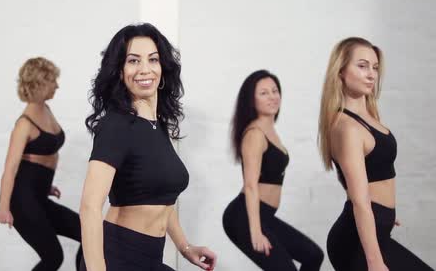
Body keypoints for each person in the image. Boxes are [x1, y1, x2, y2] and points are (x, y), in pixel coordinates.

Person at [78, 23, 217, 271]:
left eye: (153, 60)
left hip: (150, 257)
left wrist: (186, 248)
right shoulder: (116, 125)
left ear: (162, 68)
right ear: (119, 71)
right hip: (116, 256)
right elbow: (89, 207)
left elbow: (163, 198)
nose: (145, 69)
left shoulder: (157, 125)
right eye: (133, 61)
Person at [319, 37, 434, 271]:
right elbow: (360, 201)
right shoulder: (347, 127)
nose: (371, 74)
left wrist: (382, 214)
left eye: (375, 67)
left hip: (375, 230)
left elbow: (358, 177)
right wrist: (375, 263)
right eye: (362, 66)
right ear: (340, 71)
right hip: (355, 244)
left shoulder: (369, 117)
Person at [222, 70, 324, 270]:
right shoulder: (255, 134)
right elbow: (250, 186)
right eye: (264, 93)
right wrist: (256, 231)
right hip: (243, 217)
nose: (272, 97)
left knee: (313, 255)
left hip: (265, 215)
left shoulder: (269, 129)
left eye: (274, 91)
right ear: (252, 100)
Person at [0, 57, 82, 271]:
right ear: (40, 82)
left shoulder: (46, 110)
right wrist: (3, 208)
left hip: (38, 196)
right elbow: (10, 169)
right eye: (53, 80)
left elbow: (40, 159)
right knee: (53, 257)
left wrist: (44, 184)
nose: (57, 85)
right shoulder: (24, 124)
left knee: (89, 232)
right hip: (22, 203)